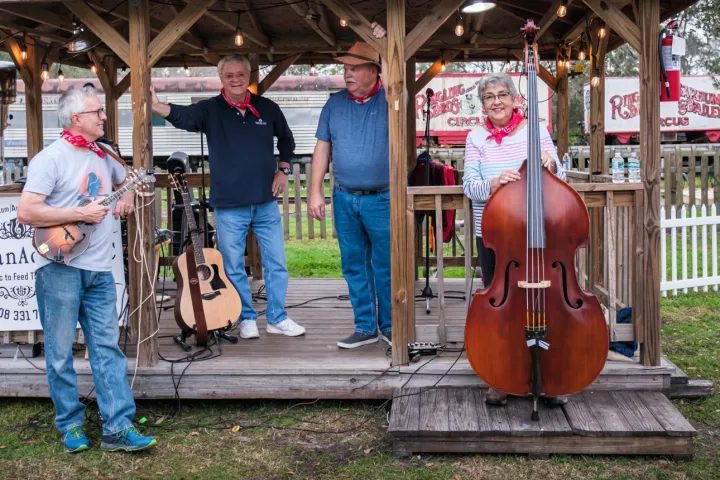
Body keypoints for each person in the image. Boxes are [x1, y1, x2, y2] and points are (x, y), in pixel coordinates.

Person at [17, 86, 157, 453]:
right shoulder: (50, 159)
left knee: (106, 348)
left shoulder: (105, 153)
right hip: (58, 266)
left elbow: (126, 179)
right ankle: (70, 425)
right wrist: (79, 213)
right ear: (77, 119)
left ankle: (117, 425)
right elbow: (27, 212)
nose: (104, 117)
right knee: (61, 352)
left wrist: (126, 193)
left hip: (99, 268)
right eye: (97, 112)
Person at [150, 55, 305, 339]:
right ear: (221, 78)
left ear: (248, 76)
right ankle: (245, 317)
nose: (236, 79)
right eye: (229, 75)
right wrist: (158, 106)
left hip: (265, 202)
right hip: (229, 206)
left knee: (277, 263)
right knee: (232, 266)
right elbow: (183, 117)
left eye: (240, 74)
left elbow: (287, 140)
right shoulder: (210, 109)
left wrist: (283, 169)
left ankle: (277, 318)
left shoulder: (267, 108)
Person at [462, 72, 568, 406]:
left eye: (502, 94)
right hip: (494, 236)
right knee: (502, 311)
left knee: (546, 307)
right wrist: (493, 184)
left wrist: (550, 163)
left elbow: (561, 176)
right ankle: (501, 377)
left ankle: (550, 377)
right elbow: (469, 186)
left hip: (539, 235)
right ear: (483, 103)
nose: (496, 101)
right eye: (489, 96)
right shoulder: (476, 137)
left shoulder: (536, 131)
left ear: (514, 99)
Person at [308, 23, 392, 349]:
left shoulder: (392, 96)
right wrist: (315, 190)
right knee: (354, 265)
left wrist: (385, 44)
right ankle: (365, 327)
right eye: (345, 68)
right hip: (344, 198)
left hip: (382, 198)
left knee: (385, 267)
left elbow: (400, 80)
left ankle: (390, 327)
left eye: (355, 67)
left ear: (375, 70)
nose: (348, 73)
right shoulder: (334, 104)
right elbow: (322, 148)